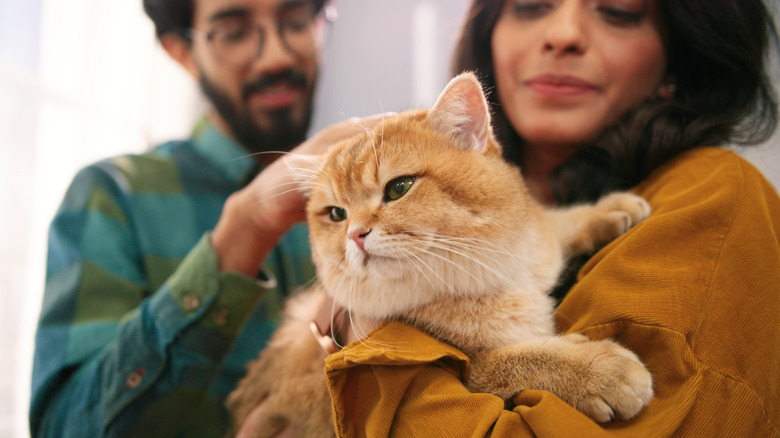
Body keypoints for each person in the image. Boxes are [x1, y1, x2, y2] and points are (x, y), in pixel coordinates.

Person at [325, 0, 780, 436]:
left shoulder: (714, 195)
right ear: (490, 36)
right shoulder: (489, 203)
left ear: (681, 54)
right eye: (530, 6)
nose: (563, 35)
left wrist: (360, 339)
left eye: (617, 12)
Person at [29, 0, 377, 436]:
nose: (277, 56)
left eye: (295, 22)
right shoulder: (114, 195)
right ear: (182, 52)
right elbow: (64, 427)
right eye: (234, 33)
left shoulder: (370, 199)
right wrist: (245, 227)